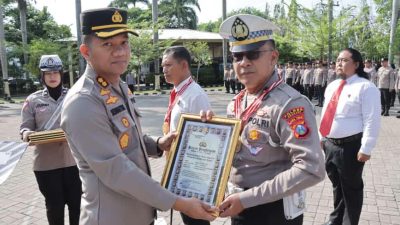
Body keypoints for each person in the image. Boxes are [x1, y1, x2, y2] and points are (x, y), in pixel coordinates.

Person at [60, 8, 216, 225]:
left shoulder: (119, 86)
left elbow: (128, 138)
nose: (120, 52)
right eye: (108, 44)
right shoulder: (83, 101)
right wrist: (178, 202)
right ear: (86, 51)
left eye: (124, 43)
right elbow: (116, 170)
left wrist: (158, 144)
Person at [212, 14, 325, 225]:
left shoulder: (290, 104)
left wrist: (247, 199)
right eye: (237, 57)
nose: (244, 62)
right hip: (239, 205)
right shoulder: (236, 102)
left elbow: (311, 169)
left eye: (253, 54)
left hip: (273, 212)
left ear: (273, 57)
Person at [319, 48, 381, 225]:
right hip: (330, 144)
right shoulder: (332, 85)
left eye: (344, 60)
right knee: (337, 186)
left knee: (351, 189)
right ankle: (336, 219)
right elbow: (326, 114)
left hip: (351, 147)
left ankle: (349, 222)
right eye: (337, 60)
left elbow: (372, 119)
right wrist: (321, 137)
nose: (339, 63)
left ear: (357, 64)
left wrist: (366, 148)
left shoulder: (366, 87)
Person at [20, 54, 81, 225]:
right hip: (46, 165)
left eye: (55, 72)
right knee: (54, 207)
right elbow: (25, 127)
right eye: (48, 74)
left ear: (61, 74)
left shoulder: (75, 96)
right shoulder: (33, 100)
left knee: (77, 207)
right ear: (42, 76)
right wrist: (27, 134)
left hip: (74, 163)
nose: (52, 77)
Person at [161, 46, 211, 225]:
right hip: (178, 168)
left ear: (183, 65)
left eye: (168, 65)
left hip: (192, 171)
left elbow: (205, 137)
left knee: (195, 220)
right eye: (162, 66)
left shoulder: (195, 95)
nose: (164, 70)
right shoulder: (179, 92)